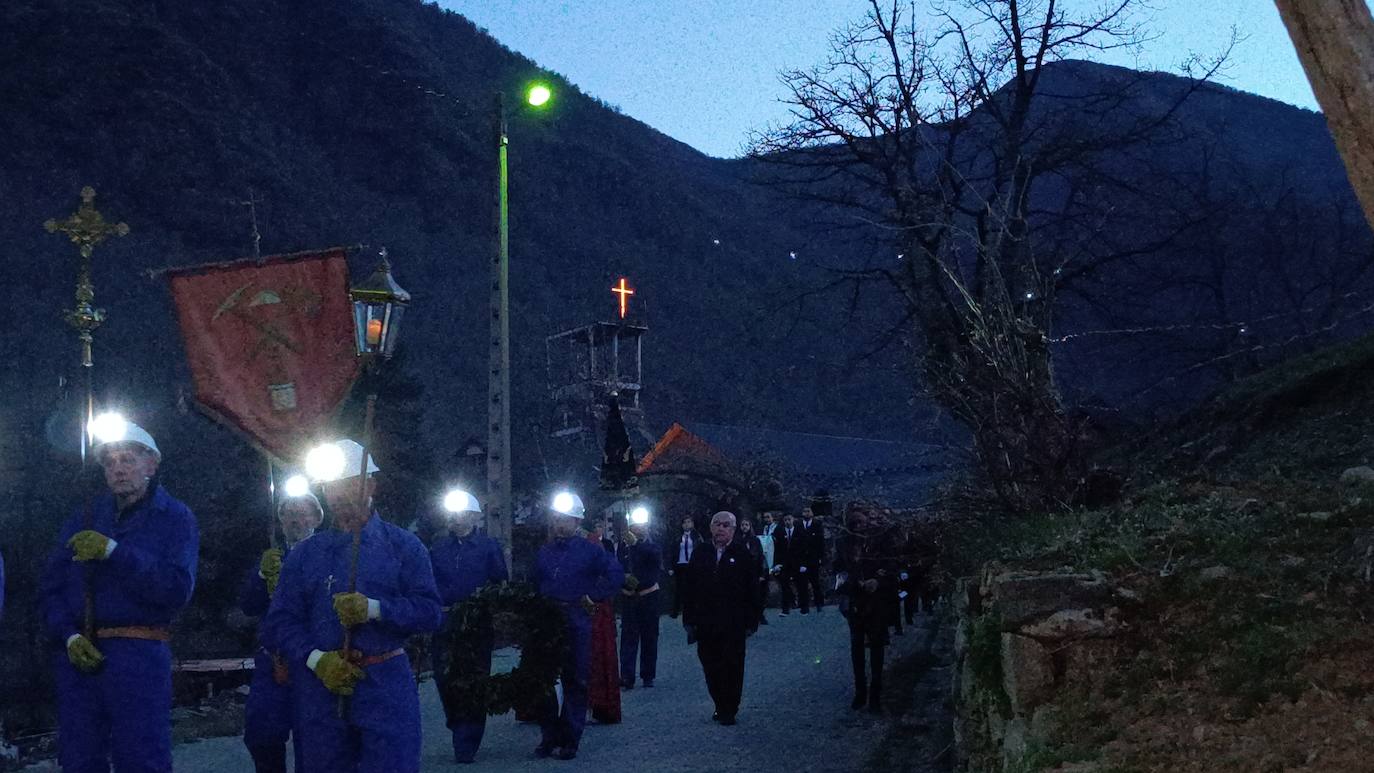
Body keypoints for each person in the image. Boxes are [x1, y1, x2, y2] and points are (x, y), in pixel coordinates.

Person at [265, 440, 443, 773]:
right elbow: (279, 623)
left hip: (386, 686)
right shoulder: (305, 555)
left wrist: (376, 610)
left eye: (349, 482)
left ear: (370, 484)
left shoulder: (403, 546)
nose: (339, 493)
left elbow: (430, 612)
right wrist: (318, 661)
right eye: (331, 485)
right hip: (322, 691)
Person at [40, 420, 199, 772]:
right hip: (81, 657)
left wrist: (115, 551)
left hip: (139, 655)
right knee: (79, 760)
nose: (118, 469)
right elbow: (51, 588)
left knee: (141, 759)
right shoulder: (83, 517)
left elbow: (175, 590)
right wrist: (67, 637)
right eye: (110, 463)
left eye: (127, 459)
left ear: (151, 464)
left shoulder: (174, 518)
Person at [533, 491, 625, 760]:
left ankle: (570, 738)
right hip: (548, 619)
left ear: (576, 522)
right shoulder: (544, 552)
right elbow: (533, 582)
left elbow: (615, 573)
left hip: (576, 618)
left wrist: (593, 595)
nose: (560, 524)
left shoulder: (591, 550)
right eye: (556, 518)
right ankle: (549, 736)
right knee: (542, 680)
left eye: (566, 519)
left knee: (576, 680)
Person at [240, 491, 324, 773]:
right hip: (273, 661)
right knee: (261, 733)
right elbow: (249, 605)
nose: (294, 520)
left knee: (312, 742)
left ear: (316, 518)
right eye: (288, 514)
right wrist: (262, 576)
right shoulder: (273, 559)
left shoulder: (327, 556)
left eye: (302, 514)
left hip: (314, 661)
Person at [429, 489, 508, 765]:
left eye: (463, 514)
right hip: (444, 623)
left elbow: (500, 582)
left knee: (474, 680)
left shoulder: (488, 548)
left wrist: (489, 606)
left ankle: (468, 740)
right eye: (453, 514)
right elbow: (426, 582)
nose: (457, 519)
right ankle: (457, 722)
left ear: (475, 518)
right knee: (444, 679)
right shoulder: (437, 548)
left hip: (476, 624)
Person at [682, 511, 756, 726]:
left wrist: (751, 621)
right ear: (711, 527)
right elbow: (689, 587)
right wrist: (689, 619)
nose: (721, 529)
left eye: (726, 525)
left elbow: (752, 589)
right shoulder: (701, 552)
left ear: (733, 529)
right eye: (717, 525)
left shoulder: (742, 553)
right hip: (706, 621)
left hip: (733, 621)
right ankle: (718, 702)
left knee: (732, 665)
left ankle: (730, 707)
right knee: (710, 664)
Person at [834, 503, 898, 714]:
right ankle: (860, 692)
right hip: (855, 600)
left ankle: (875, 695)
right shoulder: (843, 542)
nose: (859, 526)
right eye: (855, 523)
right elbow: (837, 568)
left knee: (877, 646)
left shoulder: (881, 539)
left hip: (876, 600)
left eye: (862, 522)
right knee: (856, 647)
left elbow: (891, 566)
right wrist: (850, 582)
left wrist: (877, 581)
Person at [584, 515, 622, 724]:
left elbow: (613, 575)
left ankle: (595, 704)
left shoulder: (596, 546)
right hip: (570, 608)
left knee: (596, 658)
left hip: (594, 609)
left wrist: (594, 595)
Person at [618, 511, 662, 689]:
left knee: (649, 636)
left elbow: (655, 558)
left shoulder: (653, 542)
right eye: (636, 525)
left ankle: (648, 674)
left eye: (642, 525)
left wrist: (636, 544)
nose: (639, 528)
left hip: (649, 594)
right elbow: (619, 564)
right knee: (628, 637)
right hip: (630, 596)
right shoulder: (624, 545)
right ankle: (627, 675)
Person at [733, 517, 768, 629]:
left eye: (746, 525)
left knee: (756, 596)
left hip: (753, 571)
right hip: (741, 571)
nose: (744, 527)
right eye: (742, 524)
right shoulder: (736, 540)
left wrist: (762, 574)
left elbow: (760, 556)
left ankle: (759, 616)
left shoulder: (755, 540)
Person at [667, 514, 703, 619]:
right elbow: (672, 551)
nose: (687, 524)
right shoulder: (678, 537)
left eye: (689, 522)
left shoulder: (697, 536)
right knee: (679, 588)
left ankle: (695, 609)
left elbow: (700, 550)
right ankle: (676, 610)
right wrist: (671, 566)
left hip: (693, 564)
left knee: (694, 587)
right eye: (685, 522)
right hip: (680, 564)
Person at [772, 512, 803, 615]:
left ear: (793, 519)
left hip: (796, 562)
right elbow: (776, 549)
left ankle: (801, 605)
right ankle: (786, 609)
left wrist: (803, 563)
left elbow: (803, 548)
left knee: (800, 584)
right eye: (785, 520)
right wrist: (776, 564)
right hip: (783, 563)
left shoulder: (799, 531)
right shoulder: (779, 532)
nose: (787, 522)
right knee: (784, 585)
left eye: (789, 519)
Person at [798, 505, 827, 613]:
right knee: (802, 583)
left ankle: (819, 604)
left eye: (808, 511)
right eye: (804, 511)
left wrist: (820, 557)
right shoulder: (798, 525)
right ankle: (804, 605)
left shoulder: (817, 524)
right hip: (802, 560)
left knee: (816, 582)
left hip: (814, 559)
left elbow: (821, 543)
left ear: (812, 513)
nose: (806, 513)